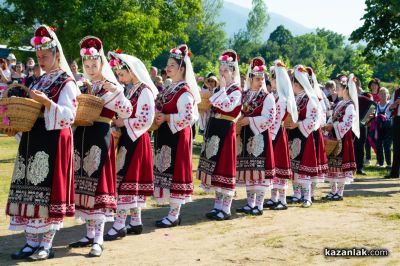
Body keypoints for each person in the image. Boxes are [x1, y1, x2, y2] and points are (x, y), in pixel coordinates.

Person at [5, 24, 79, 261]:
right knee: (29, 191)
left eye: (45, 57)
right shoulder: (37, 82)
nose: (41, 61)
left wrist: (48, 103)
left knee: (47, 192)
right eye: (38, 57)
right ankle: (30, 242)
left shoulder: (67, 82)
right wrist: (15, 125)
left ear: (56, 54)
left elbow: (70, 116)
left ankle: (46, 243)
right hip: (32, 141)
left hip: (53, 141)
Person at [68, 36, 132, 257]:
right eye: (87, 65)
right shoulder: (84, 85)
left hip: (100, 137)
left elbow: (126, 111)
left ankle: (99, 239)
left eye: (94, 65)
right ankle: (88, 234)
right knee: (82, 187)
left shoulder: (110, 86)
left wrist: (115, 91)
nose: (90, 69)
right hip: (82, 135)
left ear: (101, 63)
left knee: (98, 186)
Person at [103, 52, 157, 240]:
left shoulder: (145, 91)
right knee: (127, 180)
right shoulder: (131, 89)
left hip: (137, 139)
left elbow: (146, 119)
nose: (119, 77)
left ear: (131, 71)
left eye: (121, 73)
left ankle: (119, 225)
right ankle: (135, 221)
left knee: (126, 181)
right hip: (128, 138)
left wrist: (122, 123)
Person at [153, 44, 200, 227]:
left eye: (172, 64)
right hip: (167, 135)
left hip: (178, 137)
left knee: (176, 174)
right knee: (168, 171)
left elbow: (188, 117)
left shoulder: (184, 91)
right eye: (168, 64)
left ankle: (174, 215)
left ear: (182, 68)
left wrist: (166, 117)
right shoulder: (170, 88)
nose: (168, 67)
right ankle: (172, 213)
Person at [197, 49, 242, 220]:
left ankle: (226, 208)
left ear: (233, 72)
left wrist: (221, 90)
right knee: (215, 168)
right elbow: (213, 105)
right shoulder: (219, 90)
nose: (222, 73)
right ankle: (217, 206)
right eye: (220, 70)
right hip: (215, 128)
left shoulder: (236, 90)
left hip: (226, 129)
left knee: (225, 166)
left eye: (225, 71)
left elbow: (228, 107)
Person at [235, 57, 276, 216]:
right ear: (250, 79)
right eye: (257, 79)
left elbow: (269, 119)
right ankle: (249, 203)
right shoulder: (244, 95)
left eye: (262, 79)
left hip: (259, 137)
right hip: (244, 136)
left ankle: (258, 205)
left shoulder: (267, 97)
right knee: (248, 171)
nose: (260, 82)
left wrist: (249, 120)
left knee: (259, 173)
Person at [264, 60, 298, 210]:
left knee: (280, 166)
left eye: (273, 78)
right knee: (274, 166)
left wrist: (270, 134)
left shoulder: (283, 99)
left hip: (278, 133)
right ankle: (273, 197)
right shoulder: (275, 96)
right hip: (273, 133)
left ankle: (282, 200)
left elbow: (277, 118)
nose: (271, 81)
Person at [286, 65, 319, 208]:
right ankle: (297, 194)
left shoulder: (310, 99)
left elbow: (313, 120)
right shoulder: (295, 98)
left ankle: (307, 197)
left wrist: (297, 124)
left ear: (297, 84)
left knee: (304, 167)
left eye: (292, 82)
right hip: (293, 135)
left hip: (304, 136)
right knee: (294, 166)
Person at [324, 74, 359, 200]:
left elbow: (348, 123)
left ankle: (339, 192)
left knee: (341, 165)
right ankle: (333, 191)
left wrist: (333, 127)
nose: (337, 89)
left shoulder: (350, 105)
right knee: (332, 164)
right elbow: (332, 117)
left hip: (343, 138)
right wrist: (328, 124)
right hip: (334, 136)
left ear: (346, 89)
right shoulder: (340, 103)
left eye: (339, 87)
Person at [375, 87, 392, 169]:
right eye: (381, 93)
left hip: (388, 128)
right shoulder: (376, 105)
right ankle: (380, 163)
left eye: (385, 94)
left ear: (388, 95)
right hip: (379, 128)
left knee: (387, 145)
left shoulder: (390, 105)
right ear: (378, 95)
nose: (383, 95)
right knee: (378, 145)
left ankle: (389, 164)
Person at [386, 86, 400, 179]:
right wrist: (394, 104)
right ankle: (394, 172)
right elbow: (388, 110)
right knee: (396, 147)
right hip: (397, 121)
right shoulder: (397, 92)